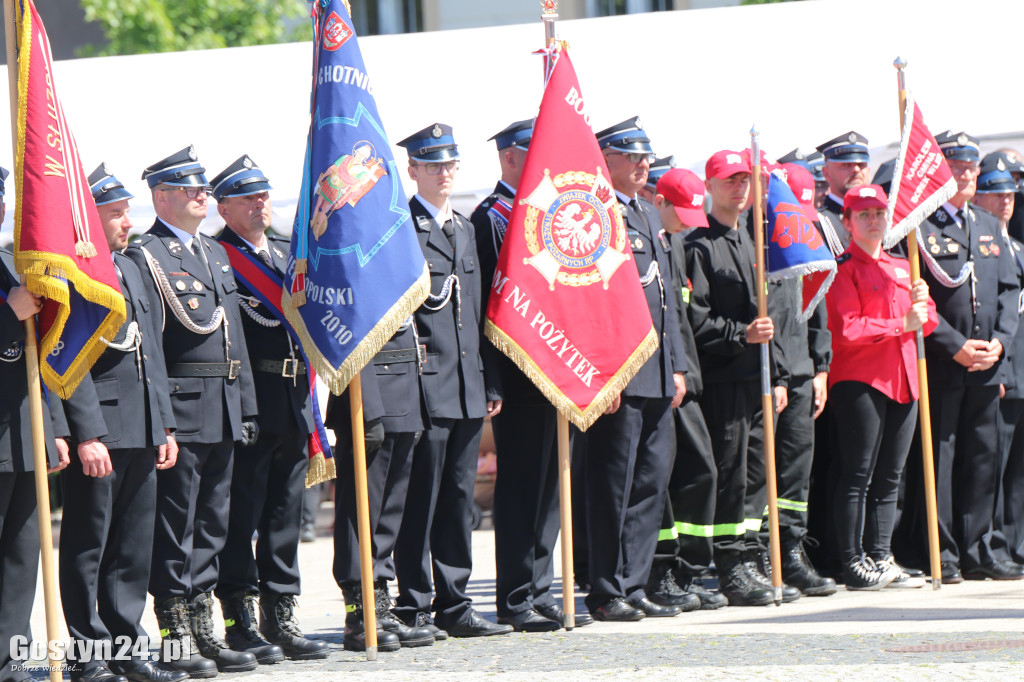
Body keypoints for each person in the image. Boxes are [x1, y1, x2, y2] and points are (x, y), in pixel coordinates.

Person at [125, 146, 259, 676]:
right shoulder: (148, 256)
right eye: (191, 188)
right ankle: (176, 631)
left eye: (204, 188)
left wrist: (245, 404)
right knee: (175, 524)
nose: (204, 195)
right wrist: (162, 420)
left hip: (222, 406)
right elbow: (150, 351)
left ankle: (206, 628)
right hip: (182, 410)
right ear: (162, 196)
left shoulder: (215, 254)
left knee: (212, 523)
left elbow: (235, 340)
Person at [55, 165, 187, 682]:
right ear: (90, 218)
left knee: (133, 544)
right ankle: (88, 650)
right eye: (114, 214)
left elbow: (150, 350)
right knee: (90, 543)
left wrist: (165, 426)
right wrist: (86, 432)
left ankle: (127, 644)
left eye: (126, 212)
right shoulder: (71, 270)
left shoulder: (131, 266)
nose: (126, 222)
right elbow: (68, 358)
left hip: (142, 425)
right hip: (102, 429)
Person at [471, 118, 592, 631]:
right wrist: (493, 380)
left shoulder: (547, 213)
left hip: (555, 369)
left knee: (549, 487)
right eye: (533, 150)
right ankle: (515, 597)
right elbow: (486, 308)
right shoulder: (492, 217)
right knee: (522, 487)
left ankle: (541, 589)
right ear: (510, 157)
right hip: (519, 374)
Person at [392, 123, 511, 638]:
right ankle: (415, 603)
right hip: (426, 385)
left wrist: (489, 382)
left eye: (449, 164)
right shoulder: (402, 229)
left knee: (459, 499)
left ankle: (455, 601)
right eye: (432, 164)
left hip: (465, 384)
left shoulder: (463, 230)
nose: (443, 172)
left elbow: (480, 314)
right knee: (421, 498)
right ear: (413, 170)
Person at [211, 156, 329, 663]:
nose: (260, 205)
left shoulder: (286, 252)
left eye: (263, 196)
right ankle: (239, 618)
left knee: (285, 513)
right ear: (224, 207)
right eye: (247, 198)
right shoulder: (218, 257)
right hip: (252, 399)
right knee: (243, 514)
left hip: (295, 397)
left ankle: (281, 612)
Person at [895, 131, 1023, 583]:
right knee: (942, 459)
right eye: (956, 166)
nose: (966, 174)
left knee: (984, 458)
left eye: (970, 167)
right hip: (946, 362)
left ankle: (979, 547)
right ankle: (943, 550)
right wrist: (956, 346)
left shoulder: (987, 225)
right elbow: (916, 300)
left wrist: (1000, 344)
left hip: (987, 363)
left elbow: (1009, 292)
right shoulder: (920, 227)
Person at [581, 116, 688, 622]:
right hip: (620, 373)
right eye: (632, 156)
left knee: (651, 481)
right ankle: (604, 588)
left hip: (658, 371)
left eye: (647, 156)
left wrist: (679, 367)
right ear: (606, 160)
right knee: (612, 485)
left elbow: (668, 301)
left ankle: (634, 581)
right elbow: (595, 304)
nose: (644, 164)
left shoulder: (647, 212)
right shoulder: (595, 215)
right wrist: (606, 372)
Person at [826, 184, 937, 590]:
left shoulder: (902, 265)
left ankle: (880, 554)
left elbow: (928, 323)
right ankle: (852, 560)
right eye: (864, 214)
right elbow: (847, 328)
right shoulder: (843, 267)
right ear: (848, 221)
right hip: (862, 380)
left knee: (891, 475)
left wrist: (923, 300)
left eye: (879, 214)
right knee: (858, 474)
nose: (873, 221)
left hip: (904, 378)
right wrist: (900, 324)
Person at [684, 150, 775, 607]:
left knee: (755, 475)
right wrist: (742, 334)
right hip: (722, 379)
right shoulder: (698, 245)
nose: (739, 188)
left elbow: (773, 319)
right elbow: (695, 320)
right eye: (729, 180)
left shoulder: (754, 242)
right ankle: (726, 564)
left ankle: (747, 555)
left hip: (755, 379)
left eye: (745, 180)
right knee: (729, 474)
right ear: (710, 185)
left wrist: (775, 375)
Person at [0, 164, 70, 682]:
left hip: (23, 431)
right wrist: (8, 316)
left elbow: (44, 358)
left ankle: (10, 658)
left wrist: (52, 426)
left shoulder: (13, 264)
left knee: (23, 554)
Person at [648, 168, 729, 610]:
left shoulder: (675, 243)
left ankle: (691, 569)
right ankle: (659, 570)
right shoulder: (648, 239)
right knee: (660, 480)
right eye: (678, 212)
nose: (685, 222)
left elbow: (680, 320)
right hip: (658, 379)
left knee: (702, 472)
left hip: (685, 379)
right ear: (657, 202)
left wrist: (684, 371)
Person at [760, 163, 837, 598]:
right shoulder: (755, 242)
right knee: (759, 477)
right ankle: (760, 555)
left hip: (804, 372)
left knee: (795, 474)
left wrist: (821, 367)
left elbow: (817, 309)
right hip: (770, 376)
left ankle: (791, 552)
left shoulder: (804, 240)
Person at [973, 156, 1024, 568]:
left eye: (1010, 193)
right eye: (996, 193)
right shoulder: (982, 248)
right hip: (1001, 373)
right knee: (992, 466)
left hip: (1021, 372)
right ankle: (991, 545)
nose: (1005, 201)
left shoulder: (1017, 248)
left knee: (1019, 470)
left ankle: (1016, 544)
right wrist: (1002, 370)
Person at [815, 132, 871, 256]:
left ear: (869, 170)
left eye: (861, 164)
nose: (856, 169)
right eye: (846, 165)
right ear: (826, 173)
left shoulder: (884, 218)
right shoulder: (819, 224)